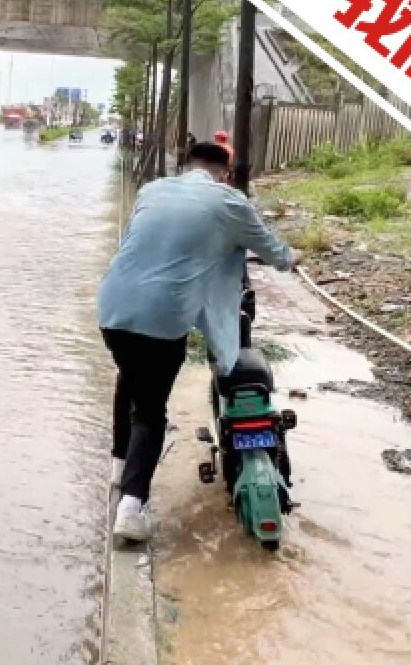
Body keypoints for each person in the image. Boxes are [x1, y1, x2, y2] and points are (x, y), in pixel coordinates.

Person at [97, 142, 301, 542]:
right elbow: (272, 249)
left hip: (113, 306)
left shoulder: (152, 190)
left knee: (131, 379)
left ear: (185, 166)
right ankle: (131, 506)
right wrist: (290, 259)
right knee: (151, 414)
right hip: (162, 316)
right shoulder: (231, 202)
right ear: (223, 174)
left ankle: (120, 467)